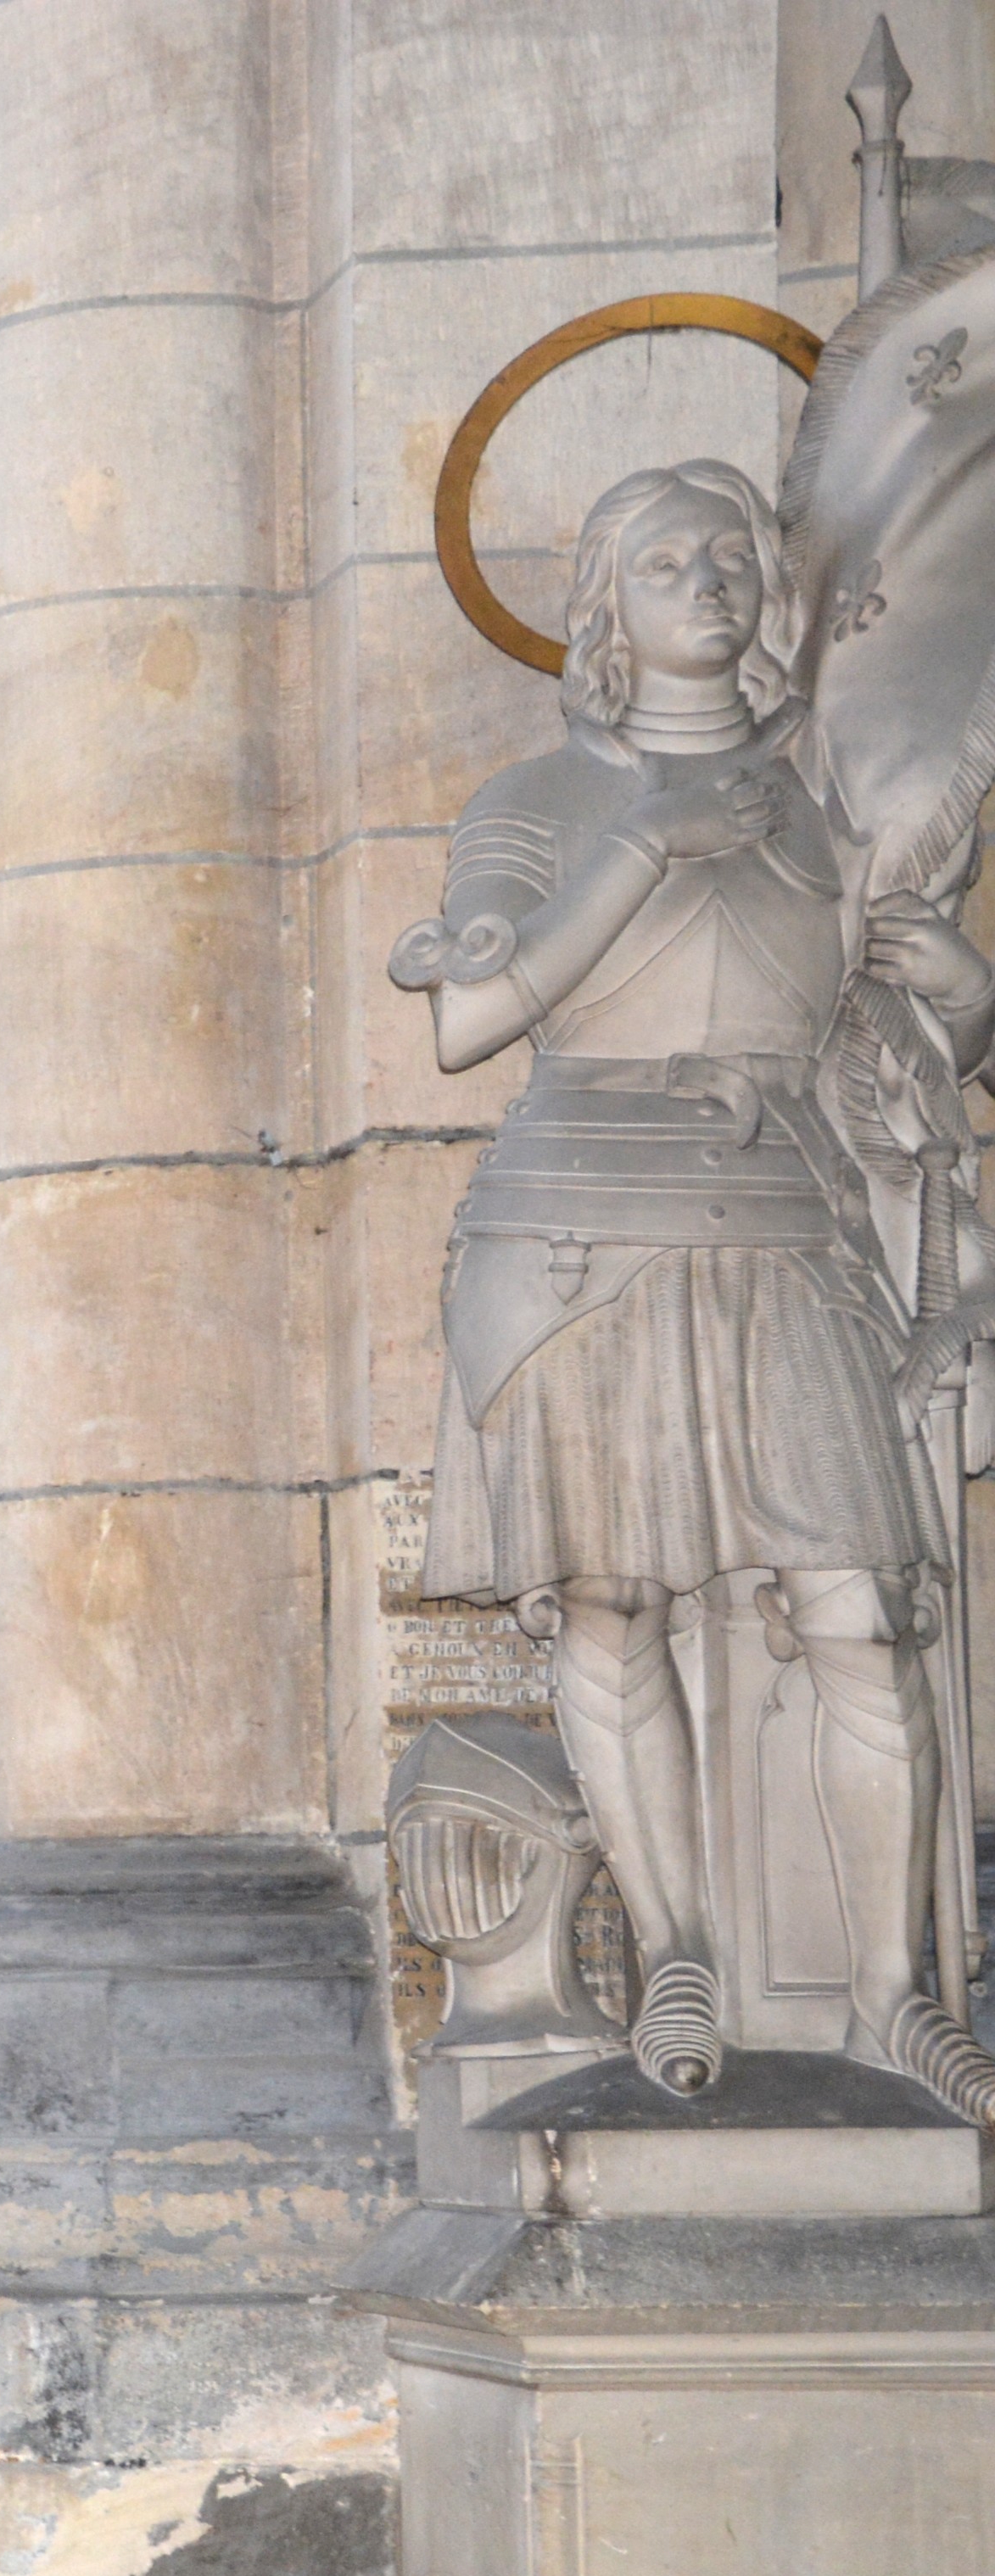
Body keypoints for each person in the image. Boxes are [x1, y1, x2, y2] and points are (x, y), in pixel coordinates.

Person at [398, 456, 995, 2112]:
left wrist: (957, 983)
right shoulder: (532, 801)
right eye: (669, 556)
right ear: (606, 607)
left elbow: (924, 1023)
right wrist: (649, 841)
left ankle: (891, 1995)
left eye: (733, 551)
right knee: (611, 1605)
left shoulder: (826, 803)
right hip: (584, 1228)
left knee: (863, 1609)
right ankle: (673, 1947)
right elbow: (468, 1017)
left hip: (786, 1229)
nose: (712, 575)